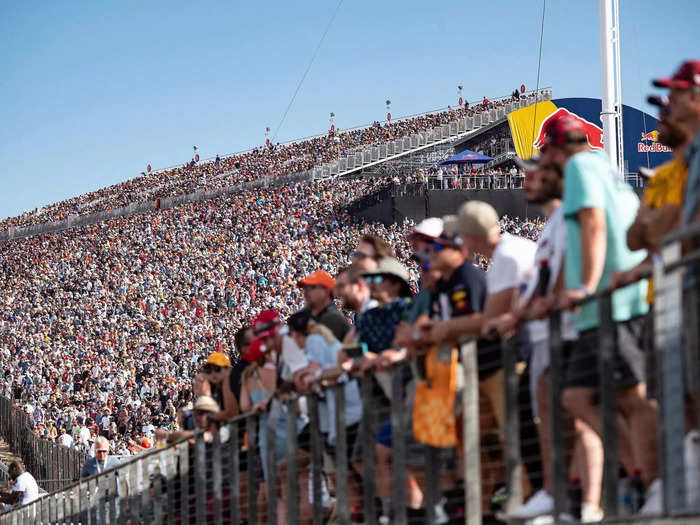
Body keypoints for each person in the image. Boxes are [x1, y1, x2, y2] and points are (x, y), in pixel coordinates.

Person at [537, 112, 660, 513]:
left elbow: (592, 223)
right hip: (603, 305)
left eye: (545, 154)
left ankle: (656, 481)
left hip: (612, 302)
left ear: (556, 149)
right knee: (576, 398)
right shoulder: (603, 166)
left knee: (632, 397)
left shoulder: (580, 168)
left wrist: (585, 285)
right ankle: (639, 476)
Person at [487, 158, 604, 522]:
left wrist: (535, 307)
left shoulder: (572, 216)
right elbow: (546, 279)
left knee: (581, 414)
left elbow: (567, 275)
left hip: (576, 328)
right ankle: (561, 499)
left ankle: (589, 502)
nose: (526, 181)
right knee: (555, 415)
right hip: (553, 334)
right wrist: (523, 312)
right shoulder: (551, 225)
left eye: (535, 174)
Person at [297, 270, 351, 342]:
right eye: (305, 288)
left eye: (311, 288)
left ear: (326, 291)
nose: (306, 292)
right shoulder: (306, 316)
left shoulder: (332, 319)